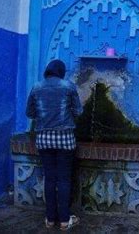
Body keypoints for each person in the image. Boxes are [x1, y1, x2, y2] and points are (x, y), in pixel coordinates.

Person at [26, 60, 83, 231]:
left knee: (49, 179)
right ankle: (65, 221)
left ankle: (50, 219)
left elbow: (29, 113)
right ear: (61, 71)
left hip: (43, 139)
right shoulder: (68, 86)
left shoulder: (36, 87)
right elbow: (78, 111)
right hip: (65, 140)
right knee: (64, 179)